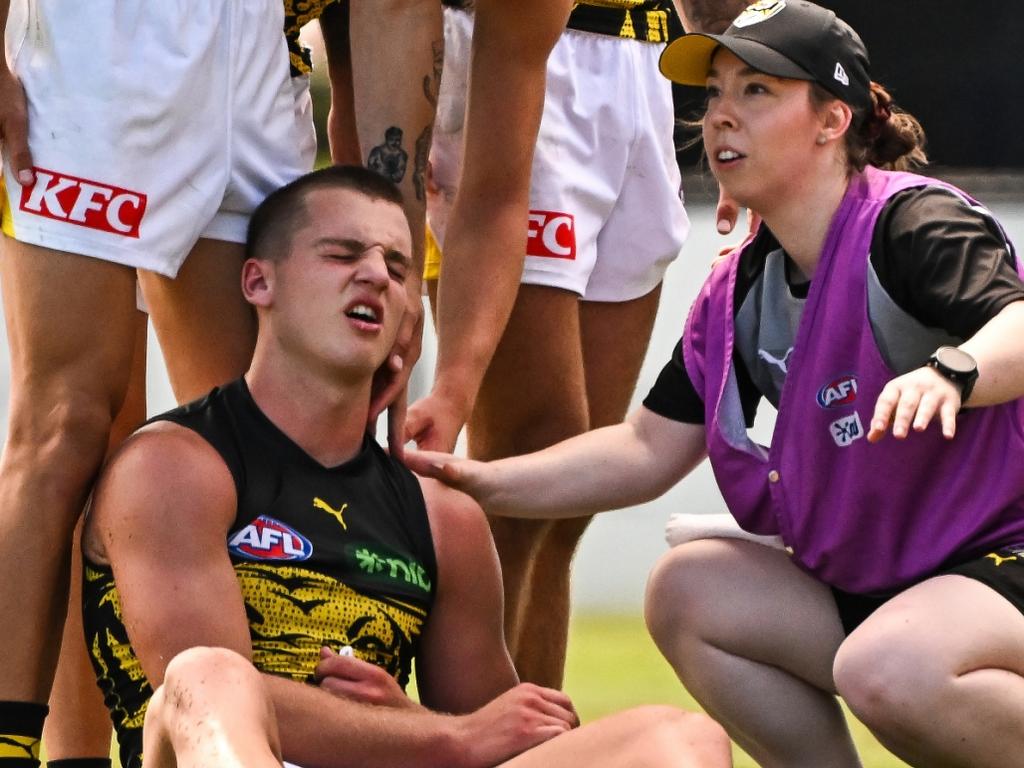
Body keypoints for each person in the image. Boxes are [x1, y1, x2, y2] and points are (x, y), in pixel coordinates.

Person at [405, 2, 1024, 765]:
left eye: (755, 92)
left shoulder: (912, 223)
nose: (722, 116)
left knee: (889, 669)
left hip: (1000, 560)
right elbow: (644, 448)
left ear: (833, 121)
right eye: (717, 93)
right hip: (893, 583)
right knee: (689, 592)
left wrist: (954, 372)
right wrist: (475, 479)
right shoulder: (738, 289)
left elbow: (1016, 325)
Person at [79, 166, 731, 768]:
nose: (374, 276)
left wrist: (414, 720)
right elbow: (191, 691)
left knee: (679, 737)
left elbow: (508, 736)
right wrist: (443, 736)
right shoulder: (171, 465)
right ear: (259, 281)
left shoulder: (443, 517)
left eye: (396, 267)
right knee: (208, 676)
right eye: (340, 254)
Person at [410, 0, 747, 690]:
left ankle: (538, 744)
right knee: (531, 458)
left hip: (645, 58)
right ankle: (471, 741)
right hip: (517, 39)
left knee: (570, 496)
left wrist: (749, 81)